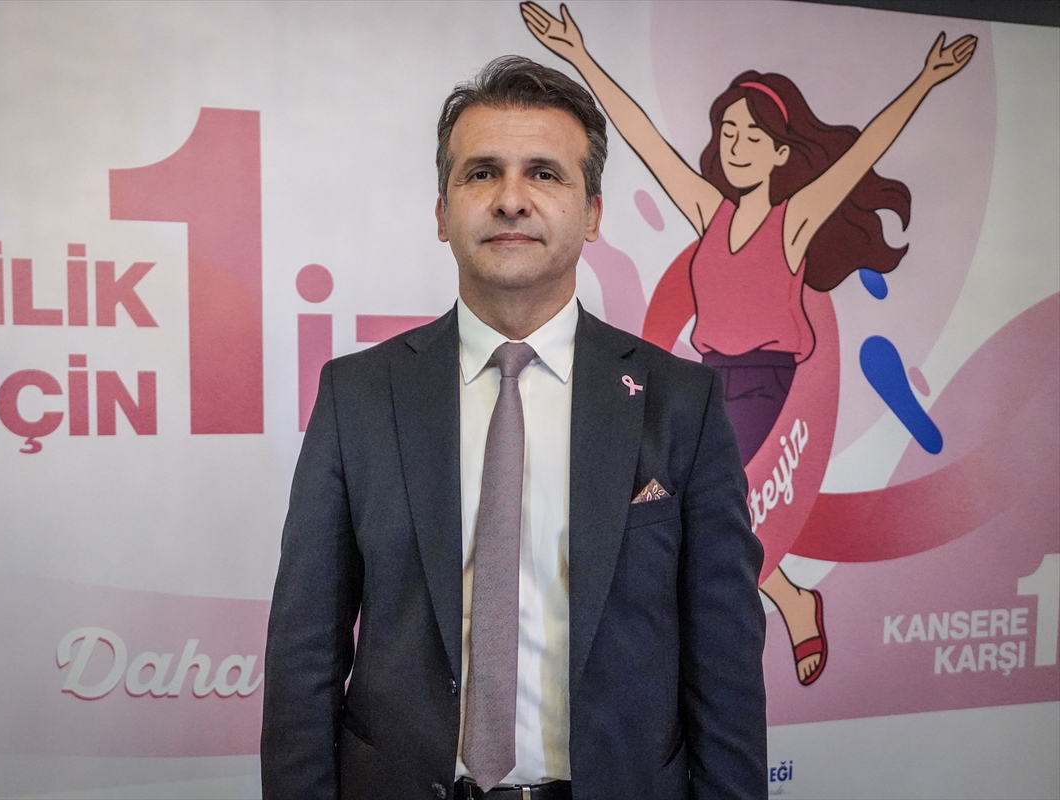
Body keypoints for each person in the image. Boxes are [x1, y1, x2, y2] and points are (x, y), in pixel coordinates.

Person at [262, 55, 766, 800]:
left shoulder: (681, 402)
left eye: (544, 174)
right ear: (442, 212)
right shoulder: (358, 396)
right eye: (481, 173)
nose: (510, 200)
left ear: (592, 214)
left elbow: (726, 663)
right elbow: (305, 653)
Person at [522, 1, 976, 686]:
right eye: (728, 131)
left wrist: (926, 80)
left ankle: (747, 631)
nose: (735, 144)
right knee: (702, 516)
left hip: (764, 386)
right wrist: (579, 55)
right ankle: (792, 600)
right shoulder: (711, 212)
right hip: (704, 383)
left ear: (782, 153)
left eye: (752, 135)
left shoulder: (794, 222)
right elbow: (643, 138)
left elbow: (862, 156)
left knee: (705, 519)